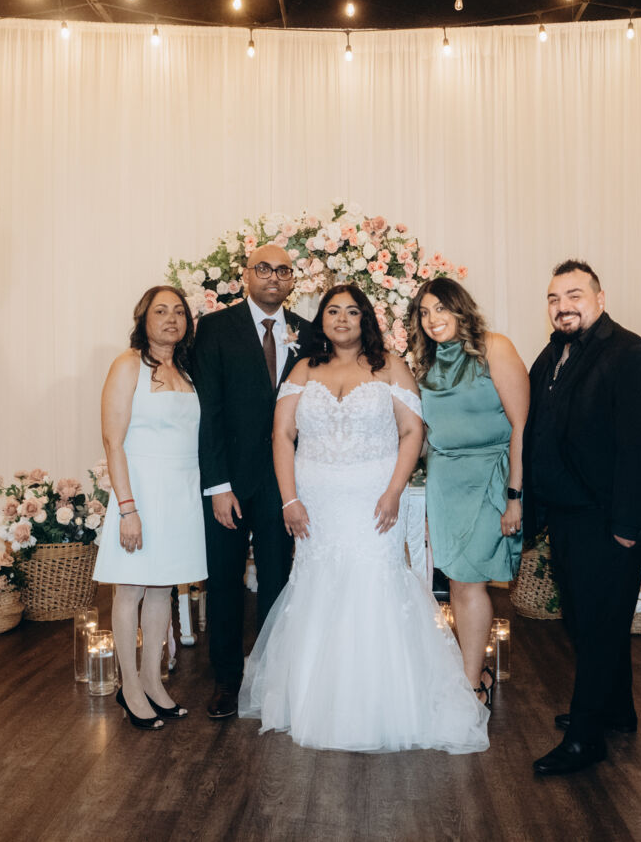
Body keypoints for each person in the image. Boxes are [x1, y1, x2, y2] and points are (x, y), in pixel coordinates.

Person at [239, 284, 489, 754]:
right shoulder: (303, 369)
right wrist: (289, 500)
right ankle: (315, 701)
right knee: (318, 585)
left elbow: (412, 431)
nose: (342, 319)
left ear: (365, 320)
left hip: (375, 502)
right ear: (322, 320)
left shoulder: (390, 366)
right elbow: (282, 434)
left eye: (352, 312)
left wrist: (394, 491)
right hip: (316, 504)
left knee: (375, 582)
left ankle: (381, 705)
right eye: (333, 311)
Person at [523, 259, 641, 775]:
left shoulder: (632, 355)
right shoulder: (553, 355)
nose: (562, 306)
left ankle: (586, 739)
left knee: (597, 625)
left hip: (609, 520)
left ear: (600, 299)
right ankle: (616, 709)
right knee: (588, 620)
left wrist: (627, 527)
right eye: (554, 298)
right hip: (567, 515)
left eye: (574, 295)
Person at [191, 244, 312, 720]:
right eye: (264, 268)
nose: (273, 277)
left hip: (283, 482)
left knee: (278, 581)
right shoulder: (216, 327)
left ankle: (271, 678)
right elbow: (209, 410)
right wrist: (218, 485)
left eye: (283, 270)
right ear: (246, 275)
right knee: (224, 581)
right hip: (230, 482)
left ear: (292, 280)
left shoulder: (307, 331)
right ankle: (227, 679)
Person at [407, 278, 529, 707]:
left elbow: (522, 427)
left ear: (461, 308)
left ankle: (473, 685)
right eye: (424, 312)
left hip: (490, 475)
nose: (433, 319)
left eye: (441, 308)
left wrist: (514, 495)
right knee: (458, 581)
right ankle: (474, 673)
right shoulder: (425, 365)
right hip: (445, 482)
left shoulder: (495, 348)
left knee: (472, 581)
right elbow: (424, 435)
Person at [95, 285, 208, 730]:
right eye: (160, 311)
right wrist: (128, 509)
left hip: (181, 492)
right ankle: (129, 688)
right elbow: (113, 441)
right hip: (140, 491)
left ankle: (153, 682)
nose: (171, 319)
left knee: (162, 590)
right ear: (143, 319)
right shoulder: (128, 365)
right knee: (131, 591)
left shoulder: (187, 370)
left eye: (179, 311)